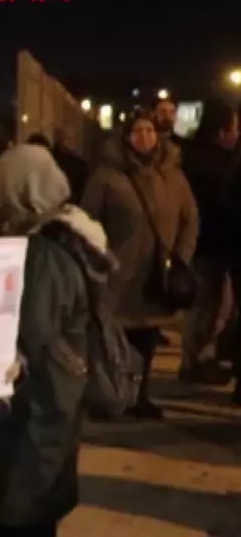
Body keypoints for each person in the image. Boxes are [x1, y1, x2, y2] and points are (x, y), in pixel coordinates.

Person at [0, 144, 114, 537]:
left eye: (2, 189)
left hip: (34, 408)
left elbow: (28, 334)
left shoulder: (44, 251)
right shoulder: (72, 231)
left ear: (21, 190)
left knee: (17, 515)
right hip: (56, 397)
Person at [81, 111, 198, 419]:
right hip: (118, 274)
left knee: (146, 338)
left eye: (149, 130)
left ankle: (140, 396)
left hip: (156, 273)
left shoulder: (173, 176)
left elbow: (190, 219)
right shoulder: (107, 177)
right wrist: (102, 258)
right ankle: (112, 396)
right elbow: (88, 222)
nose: (144, 137)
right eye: (137, 131)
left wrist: (181, 257)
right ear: (126, 137)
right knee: (115, 339)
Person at [179, 100, 238, 384]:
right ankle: (193, 362)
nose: (236, 134)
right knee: (205, 306)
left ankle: (197, 359)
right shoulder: (212, 163)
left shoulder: (199, 157)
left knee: (212, 306)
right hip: (210, 244)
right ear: (221, 131)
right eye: (234, 128)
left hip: (214, 243)